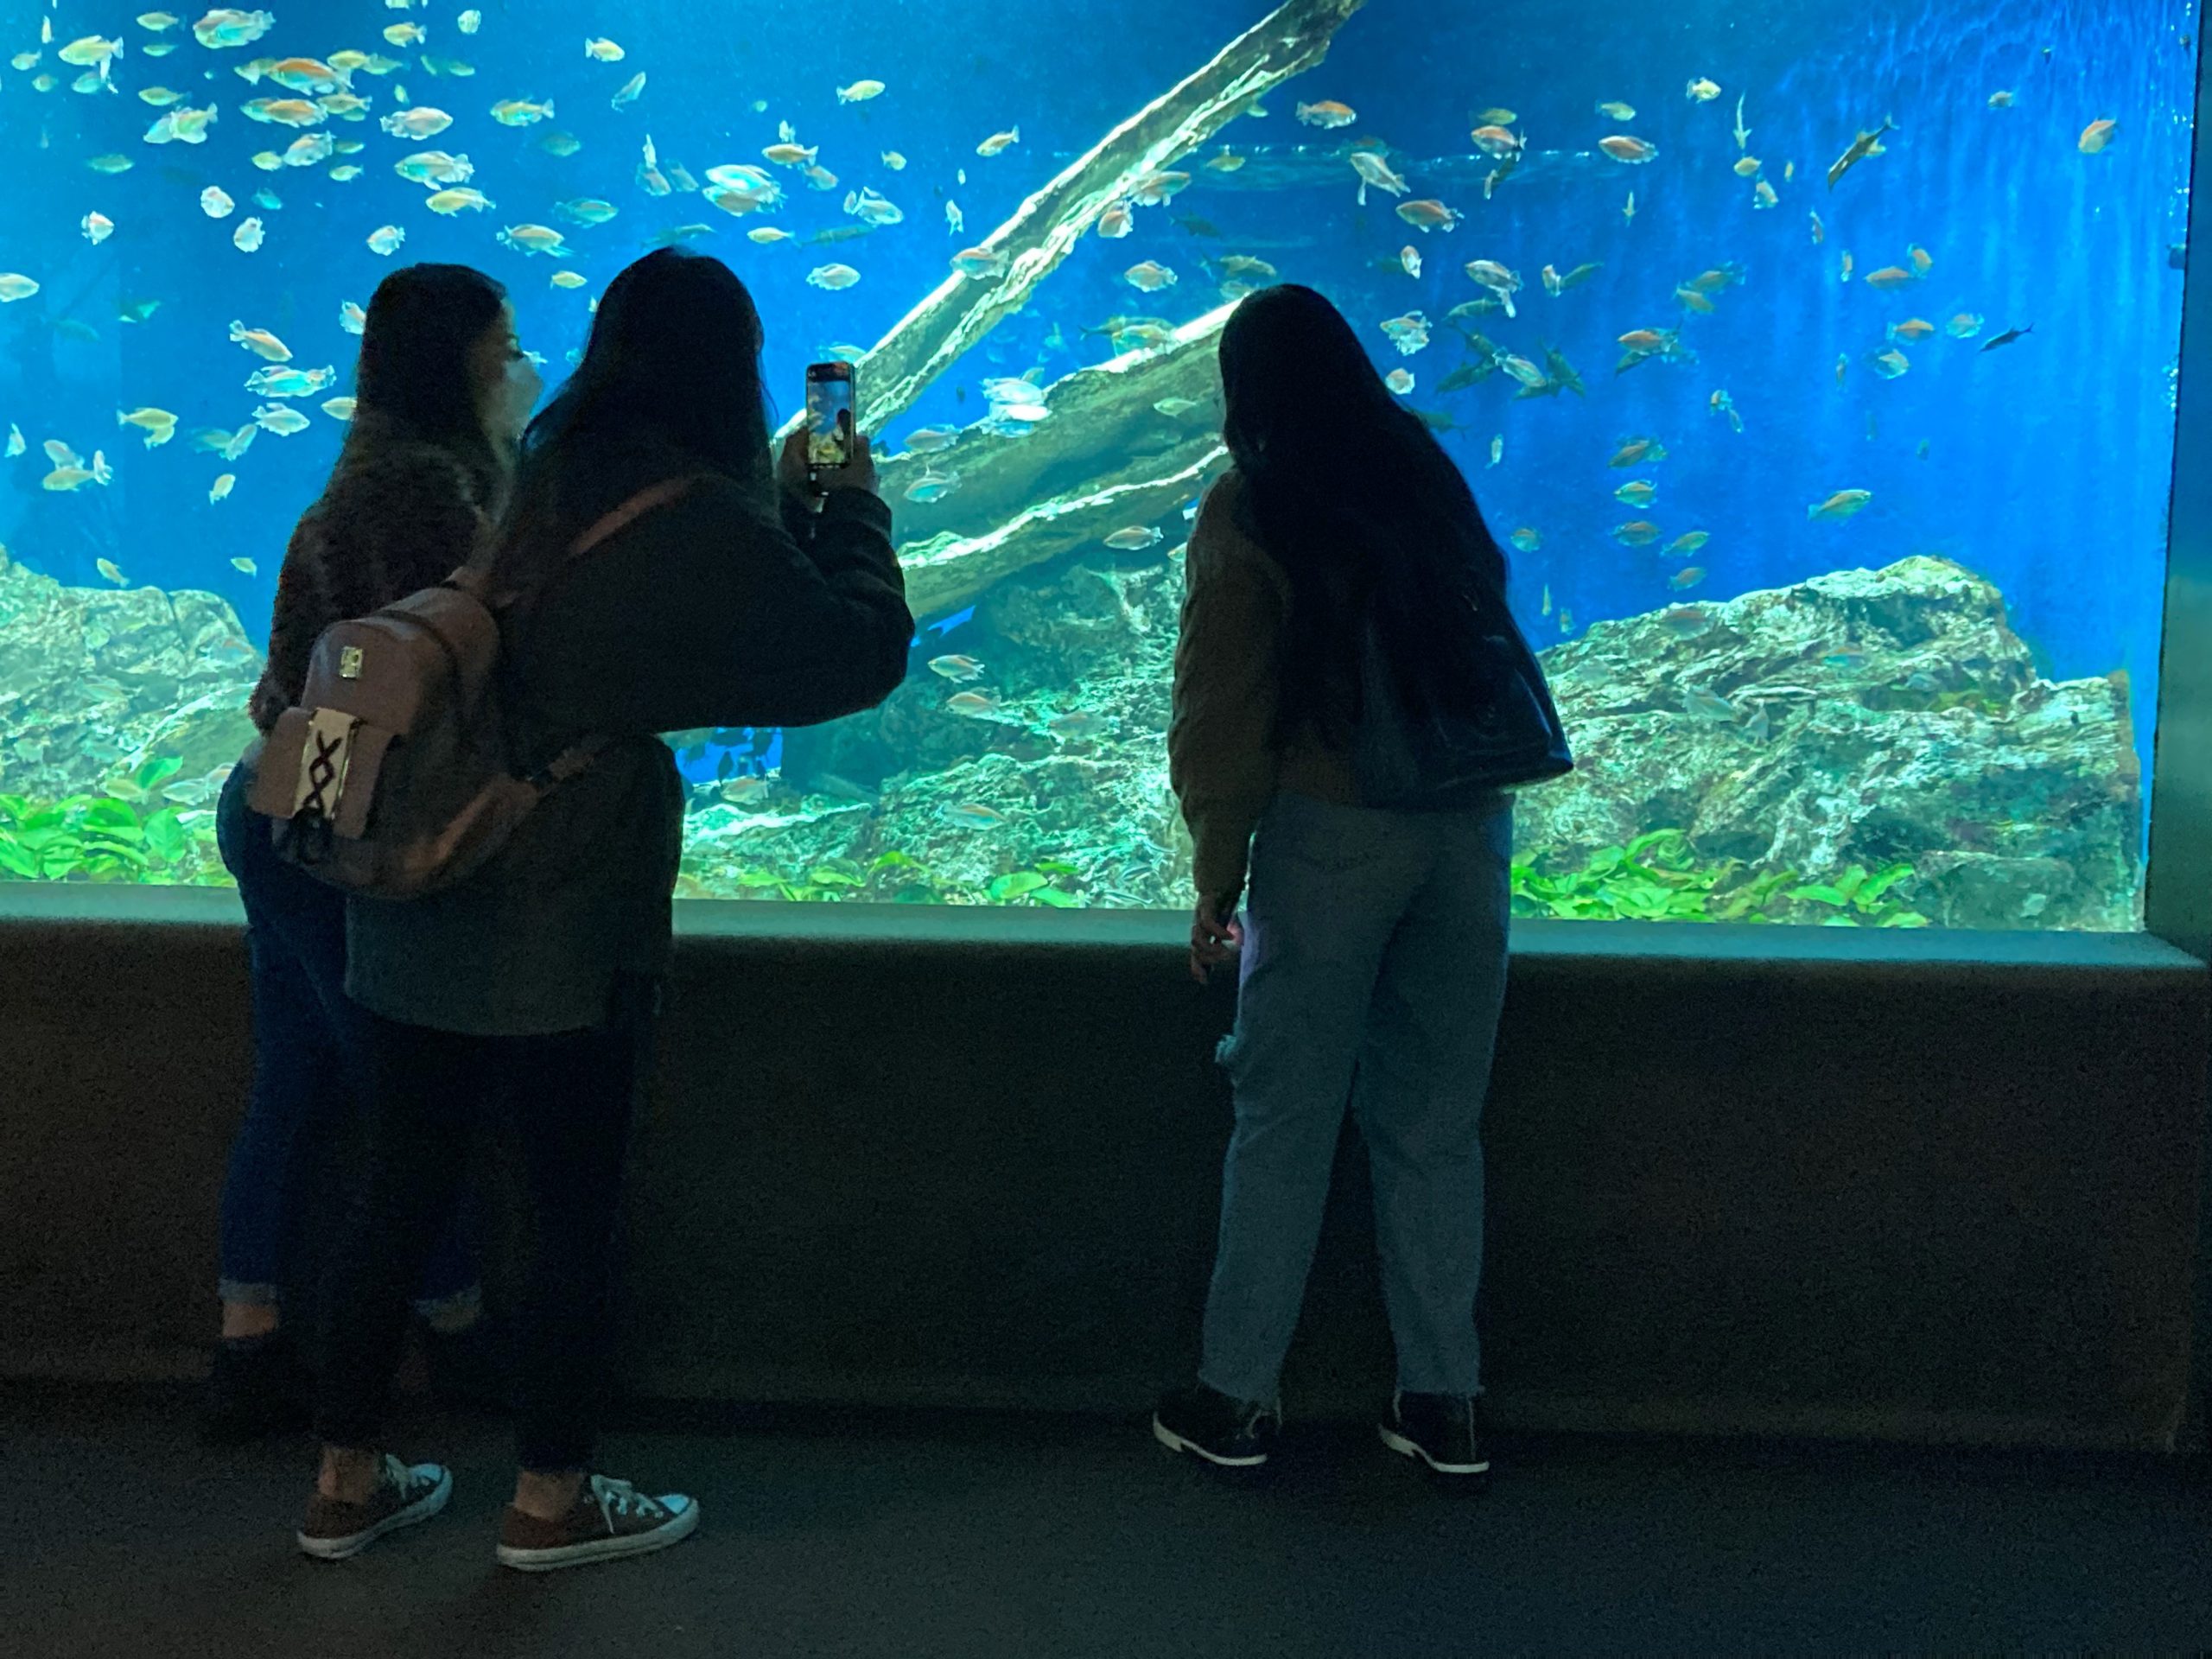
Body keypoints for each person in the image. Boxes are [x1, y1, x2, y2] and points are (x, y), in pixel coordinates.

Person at [294, 247, 911, 1573]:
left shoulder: (549, 459)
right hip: (559, 919)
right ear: (733, 372)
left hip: (417, 890)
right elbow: (850, 657)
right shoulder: (698, 513)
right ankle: (550, 1500)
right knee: (569, 1210)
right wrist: (848, 505)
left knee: (396, 1190)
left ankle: (343, 1484)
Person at [1155, 283, 1521, 1486]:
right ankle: (1446, 1401)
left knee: (1284, 1119)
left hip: (1334, 835)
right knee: (1436, 1124)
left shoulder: (1253, 503)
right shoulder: (1422, 472)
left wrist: (1218, 874)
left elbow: (1222, 706)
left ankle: (1236, 1397)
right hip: (1469, 832)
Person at [206, 264, 542, 1442]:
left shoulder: (377, 470)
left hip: (284, 793)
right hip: (333, 809)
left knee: (301, 1076)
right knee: (404, 1091)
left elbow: (298, 686)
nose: (522, 366)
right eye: (506, 346)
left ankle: (249, 1343)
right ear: (461, 361)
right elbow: (476, 664)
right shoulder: (431, 491)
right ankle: (455, 1329)